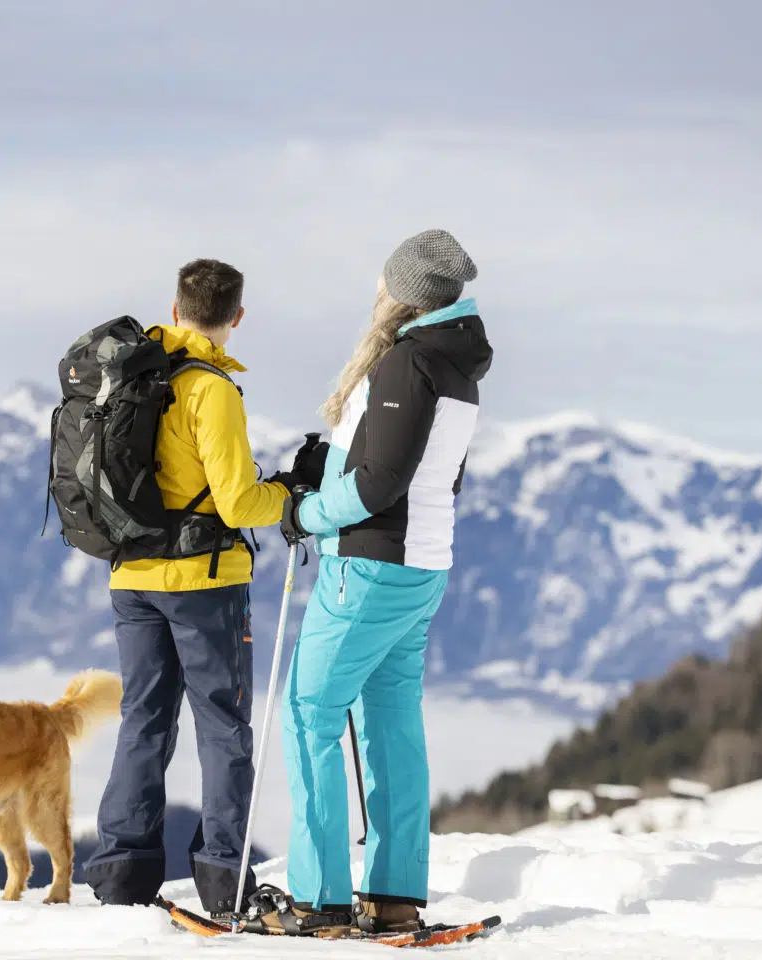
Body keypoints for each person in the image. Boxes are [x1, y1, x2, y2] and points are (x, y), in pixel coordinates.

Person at [247, 230, 491, 937]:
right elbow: (429, 471)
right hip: (421, 564)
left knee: (309, 713)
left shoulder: (408, 364)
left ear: (403, 292)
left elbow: (383, 481)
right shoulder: (457, 365)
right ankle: (391, 892)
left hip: (371, 565)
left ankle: (317, 899)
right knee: (389, 724)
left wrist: (308, 512)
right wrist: (328, 466)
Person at [85, 258, 326, 917]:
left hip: (131, 577)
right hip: (202, 584)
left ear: (174, 306)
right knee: (222, 726)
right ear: (237, 317)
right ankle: (224, 877)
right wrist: (291, 490)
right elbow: (239, 502)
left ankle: (121, 874)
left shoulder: (136, 371)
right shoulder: (210, 388)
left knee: (144, 720)